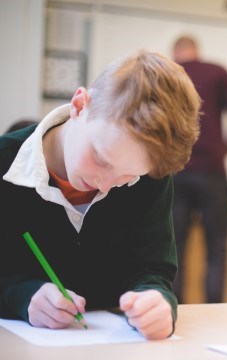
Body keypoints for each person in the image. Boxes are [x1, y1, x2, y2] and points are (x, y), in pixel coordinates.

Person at [0, 50, 201, 340]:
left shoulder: (149, 176)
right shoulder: (5, 164)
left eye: (128, 176)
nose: (105, 185)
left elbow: (152, 268)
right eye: (101, 159)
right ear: (80, 106)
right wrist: (19, 295)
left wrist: (157, 300)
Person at [171, 35, 227, 303]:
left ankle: (171, 305)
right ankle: (215, 308)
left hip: (174, 171)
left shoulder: (169, 73)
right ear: (197, 51)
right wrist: (222, 152)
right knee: (217, 246)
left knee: (174, 246)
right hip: (212, 172)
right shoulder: (218, 71)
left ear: (176, 52)